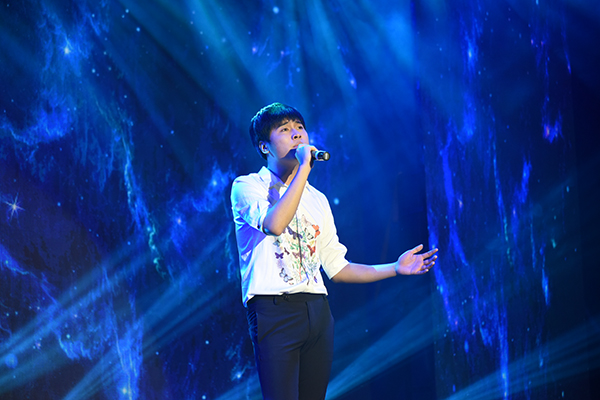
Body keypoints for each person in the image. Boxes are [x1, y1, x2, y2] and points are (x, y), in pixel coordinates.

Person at [230, 102, 438, 400]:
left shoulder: (317, 199)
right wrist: (304, 168)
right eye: (285, 130)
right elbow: (274, 225)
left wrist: (395, 267)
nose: (297, 135)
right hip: (273, 310)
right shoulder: (248, 187)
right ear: (264, 146)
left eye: (300, 128)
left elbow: (338, 268)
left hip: (318, 310)